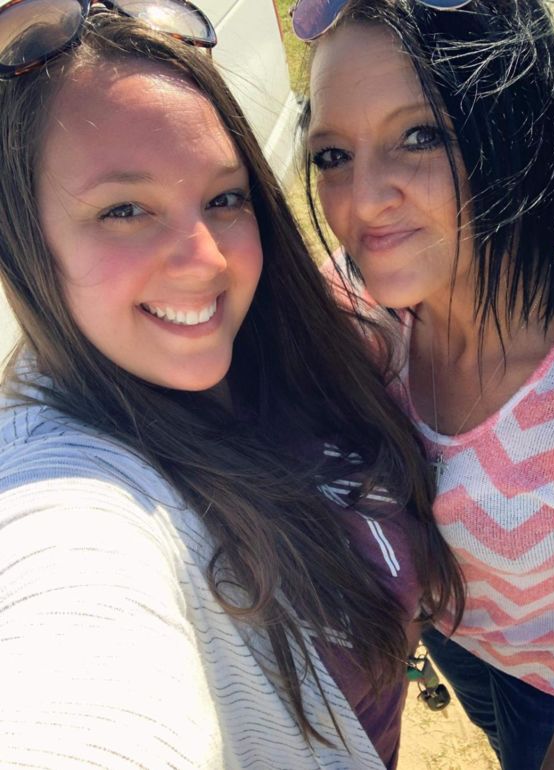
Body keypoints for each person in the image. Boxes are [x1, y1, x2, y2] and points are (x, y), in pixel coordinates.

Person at [0, 4, 465, 768]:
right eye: (124, 210)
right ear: (26, 240)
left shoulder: (304, 331)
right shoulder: (65, 491)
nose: (207, 261)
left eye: (224, 198)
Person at [293, 0, 554, 768]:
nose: (361, 201)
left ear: (520, 128)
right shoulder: (356, 301)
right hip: (451, 640)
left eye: (420, 136)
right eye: (332, 154)